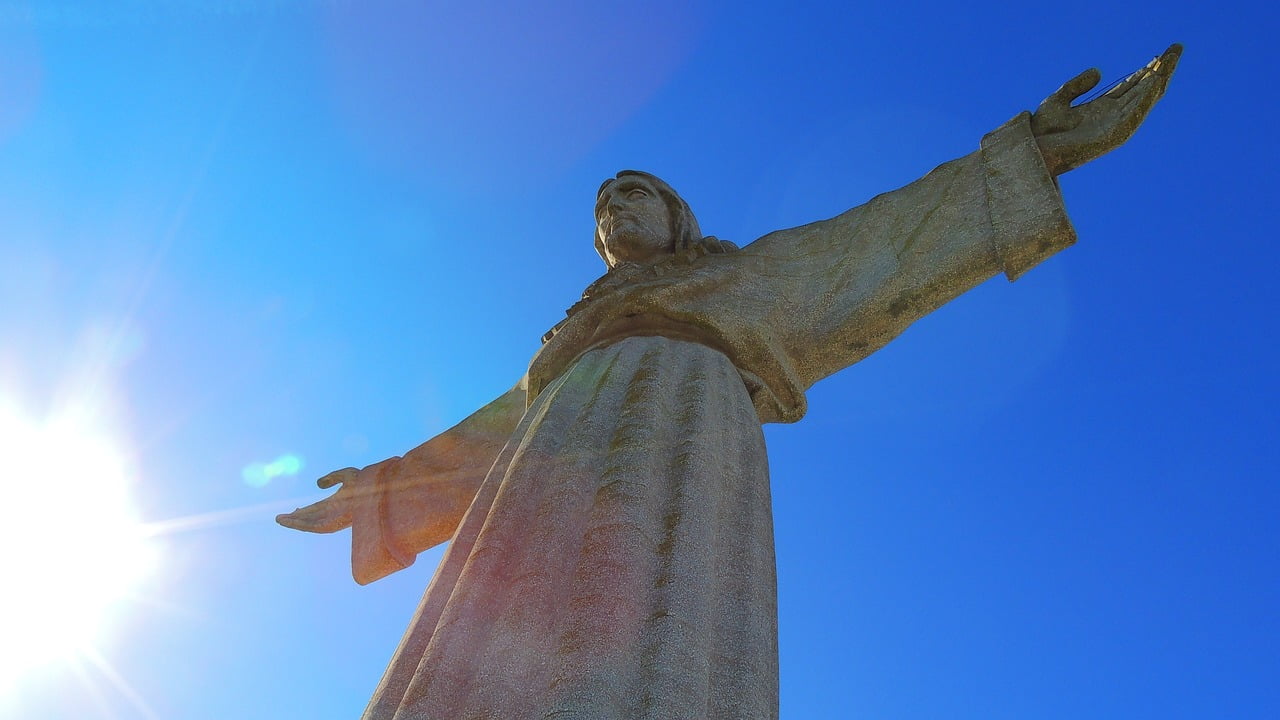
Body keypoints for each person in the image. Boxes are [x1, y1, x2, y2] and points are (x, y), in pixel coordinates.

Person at [279, 45, 1181, 720]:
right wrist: (385, 492)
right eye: (602, 210)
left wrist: (1026, 156)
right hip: (549, 452)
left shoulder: (739, 282)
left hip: (685, 413)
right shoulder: (566, 349)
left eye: (634, 195)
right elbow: (486, 434)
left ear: (679, 219)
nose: (613, 211)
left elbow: (878, 243)